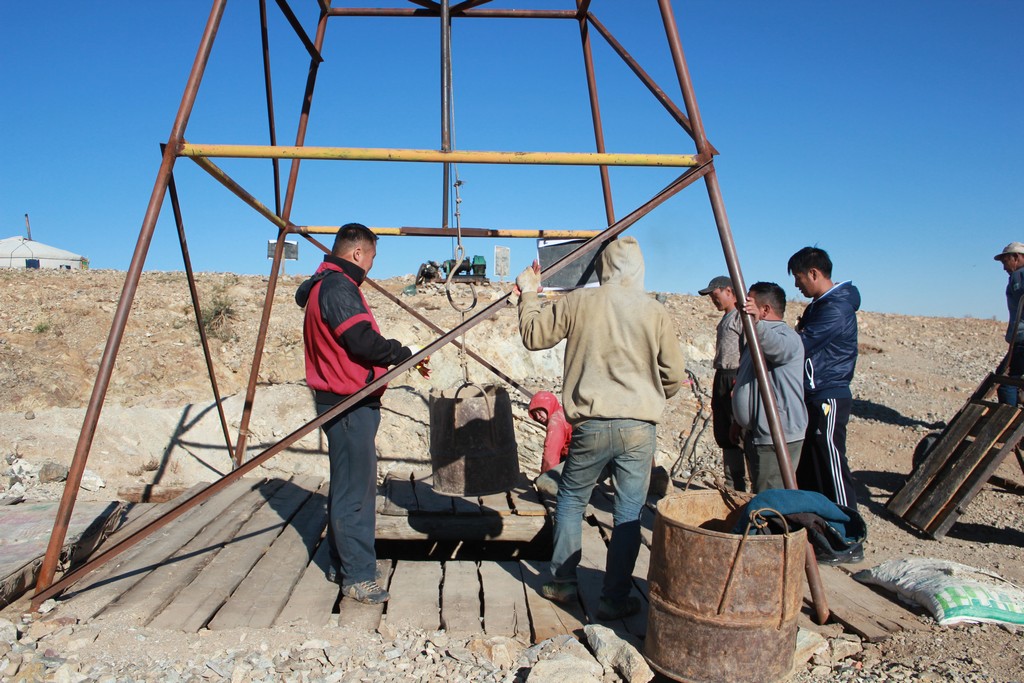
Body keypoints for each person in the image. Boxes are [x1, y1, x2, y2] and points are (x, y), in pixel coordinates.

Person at [515, 236, 687, 621]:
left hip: (590, 424)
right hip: (639, 428)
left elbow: (533, 336)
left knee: (572, 499)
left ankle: (562, 582)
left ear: (602, 266)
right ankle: (615, 597)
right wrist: (648, 393)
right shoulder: (654, 311)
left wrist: (528, 292)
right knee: (628, 512)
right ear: (639, 267)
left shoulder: (579, 301)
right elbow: (674, 375)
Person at [295, 222, 427, 605]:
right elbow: (361, 341)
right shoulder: (338, 287)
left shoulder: (325, 284)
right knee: (356, 492)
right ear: (357, 253)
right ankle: (358, 575)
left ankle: (341, 562)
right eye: (371, 257)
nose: (371, 265)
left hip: (341, 400)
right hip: (349, 402)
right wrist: (401, 352)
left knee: (346, 485)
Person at [787, 246, 861, 510]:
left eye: (798, 278)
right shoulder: (820, 306)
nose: (797, 285)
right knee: (812, 463)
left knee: (831, 462)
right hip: (814, 393)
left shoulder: (835, 309)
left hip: (828, 393)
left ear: (813, 273)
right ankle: (821, 523)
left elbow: (802, 346)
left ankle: (848, 526)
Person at [730, 282, 807, 493]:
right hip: (758, 434)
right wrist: (738, 421)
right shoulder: (756, 336)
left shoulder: (787, 337)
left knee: (770, 500)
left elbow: (777, 348)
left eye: (750, 304)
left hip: (776, 437)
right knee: (760, 492)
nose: (743, 308)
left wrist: (756, 324)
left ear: (764, 310)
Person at [698, 275, 746, 491]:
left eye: (715, 295)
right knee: (724, 430)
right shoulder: (727, 317)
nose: (713, 300)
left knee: (739, 430)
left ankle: (743, 484)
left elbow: (748, 351)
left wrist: (740, 381)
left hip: (735, 375)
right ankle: (732, 483)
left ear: (729, 291)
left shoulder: (741, 317)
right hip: (722, 375)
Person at [993, 242, 1024, 405]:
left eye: (1006, 261)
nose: (1004, 267)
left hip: (1022, 339)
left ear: (1016, 257)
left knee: (1005, 381)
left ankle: (1007, 417)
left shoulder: (1019, 275)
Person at [528, 391, 572, 474]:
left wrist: (545, 477)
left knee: (546, 480)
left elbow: (550, 457)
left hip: (579, 460)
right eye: (535, 414)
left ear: (547, 406)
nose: (538, 416)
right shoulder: (562, 412)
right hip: (590, 456)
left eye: (539, 411)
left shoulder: (555, 421)